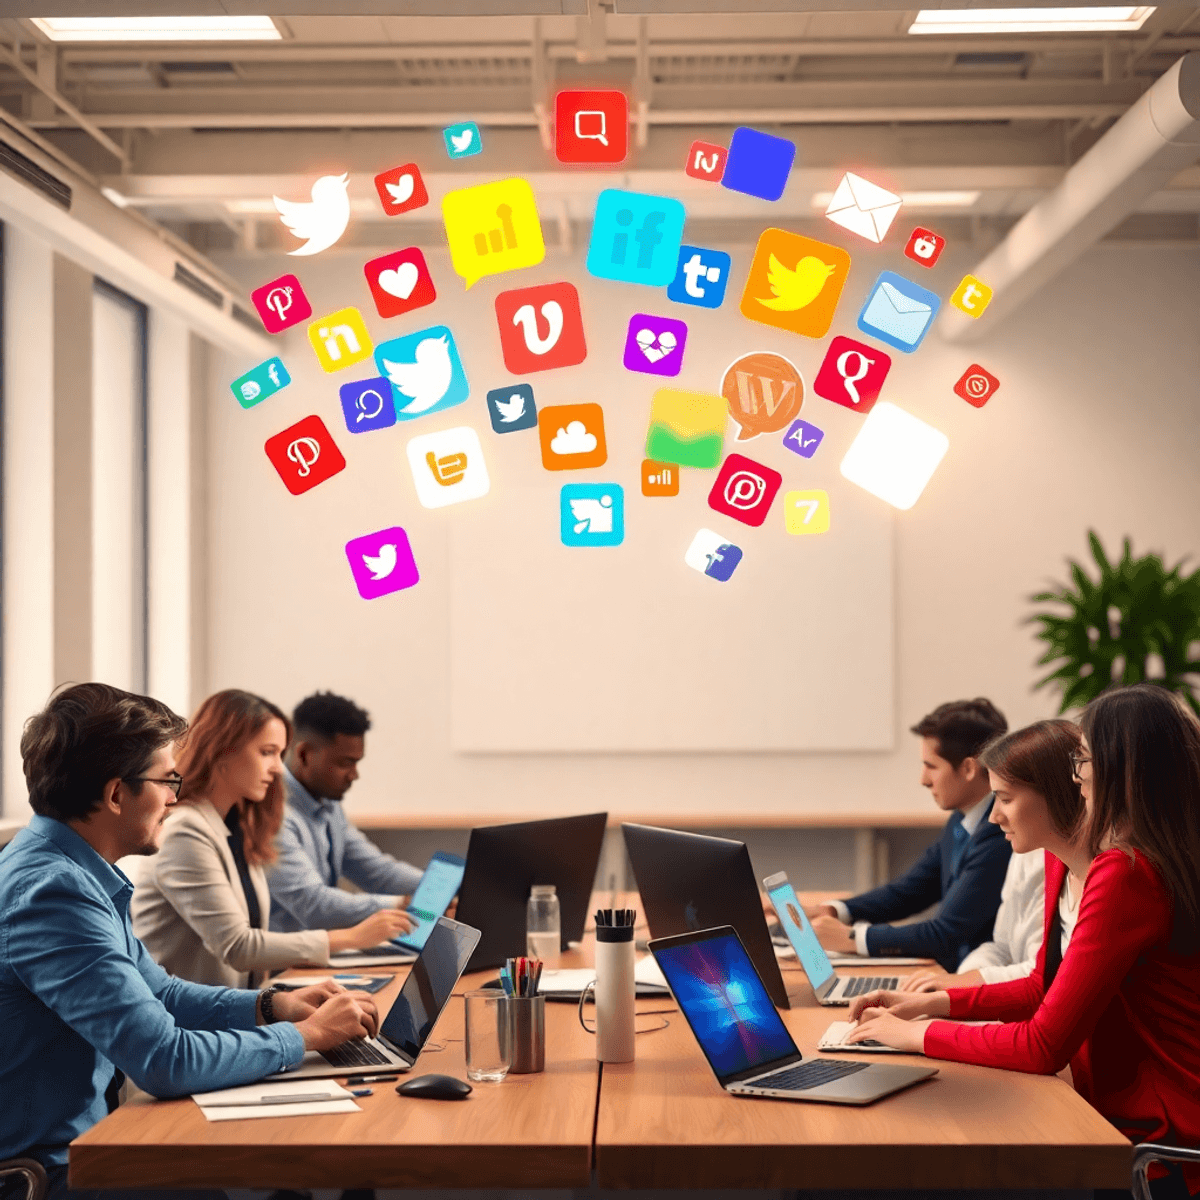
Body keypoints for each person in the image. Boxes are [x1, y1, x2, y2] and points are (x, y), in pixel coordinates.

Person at [0, 683, 379, 1200]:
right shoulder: (54, 891)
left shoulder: (70, 869)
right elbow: (165, 1060)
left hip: (88, 1143)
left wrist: (277, 1004)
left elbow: (163, 994)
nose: (175, 797)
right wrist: (308, 1037)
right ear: (116, 794)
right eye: (166, 780)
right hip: (51, 1171)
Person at [849, 688, 1200, 1199]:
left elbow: (1042, 1045)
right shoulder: (1091, 861)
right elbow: (1045, 985)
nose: (1078, 771)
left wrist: (915, 1035)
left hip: (1157, 1144)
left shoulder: (1127, 873)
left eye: (1085, 758)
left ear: (1122, 768)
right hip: (1106, 1116)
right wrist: (936, 1004)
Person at [132, 690, 414, 989]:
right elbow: (239, 947)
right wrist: (350, 937)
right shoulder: (185, 831)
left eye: (279, 754)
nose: (279, 768)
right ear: (222, 751)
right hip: (188, 1021)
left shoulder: (242, 826)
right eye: (267, 752)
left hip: (234, 1008)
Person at [807, 698, 1012, 970]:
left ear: (968, 769)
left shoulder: (1000, 834)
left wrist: (851, 938)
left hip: (969, 981)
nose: (923, 780)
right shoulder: (962, 819)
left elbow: (945, 934)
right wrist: (837, 910)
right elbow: (909, 891)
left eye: (931, 766)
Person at [268, 692, 421, 937]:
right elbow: (313, 904)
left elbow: (376, 872)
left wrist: (447, 888)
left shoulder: (328, 804)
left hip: (323, 954)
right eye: (344, 763)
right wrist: (398, 906)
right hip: (286, 966)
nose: (354, 775)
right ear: (304, 754)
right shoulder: (271, 812)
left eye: (356, 763)